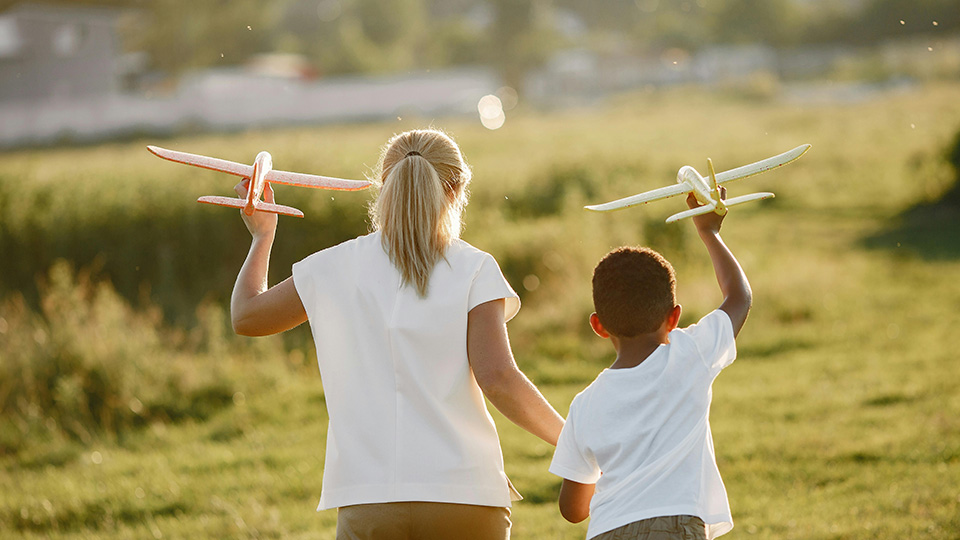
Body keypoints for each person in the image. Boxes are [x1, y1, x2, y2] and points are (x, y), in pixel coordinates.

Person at [230, 129, 565, 540]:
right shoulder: (474, 267)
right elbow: (498, 378)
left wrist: (263, 235)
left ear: (383, 186)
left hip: (369, 501)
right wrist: (571, 441)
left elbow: (247, 316)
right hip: (465, 497)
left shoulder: (333, 266)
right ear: (457, 190)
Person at [549, 188, 751, 540]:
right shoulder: (691, 353)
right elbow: (739, 297)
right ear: (674, 317)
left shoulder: (584, 404)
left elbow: (572, 510)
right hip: (675, 526)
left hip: (607, 531)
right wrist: (709, 232)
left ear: (598, 326)